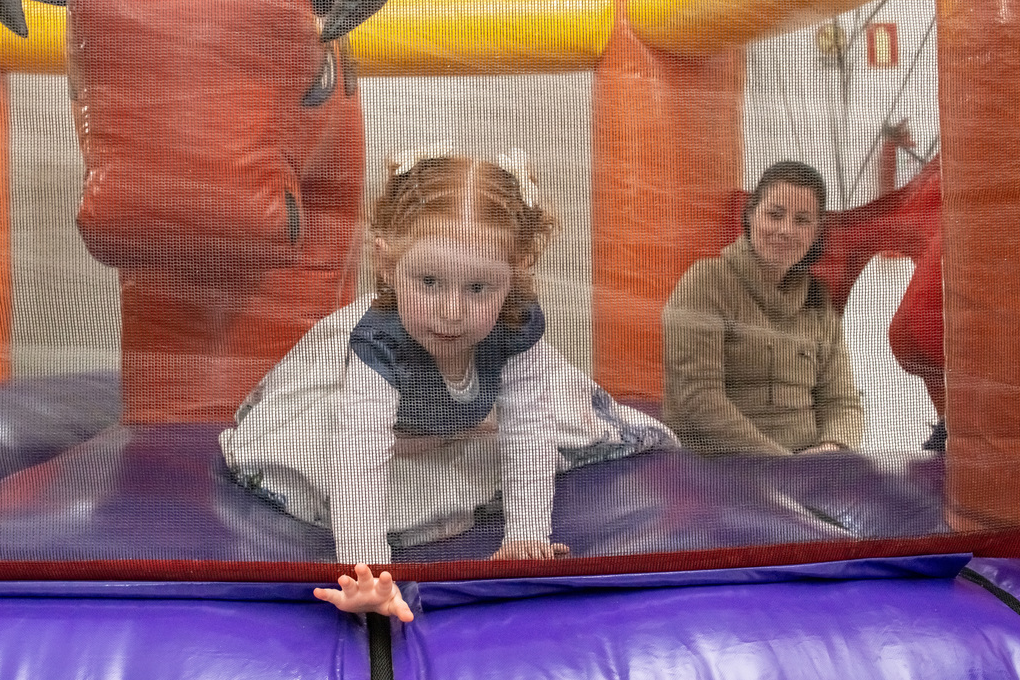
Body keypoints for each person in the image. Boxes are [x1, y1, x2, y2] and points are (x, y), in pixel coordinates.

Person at [221, 147, 676, 619]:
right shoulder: (379, 346)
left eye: (478, 288)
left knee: (563, 416)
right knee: (350, 478)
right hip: (367, 428)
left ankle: (462, 428)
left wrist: (525, 534)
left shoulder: (513, 329)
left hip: (460, 414)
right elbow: (356, 460)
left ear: (515, 276)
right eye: (429, 282)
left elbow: (528, 433)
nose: (452, 311)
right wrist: (370, 574)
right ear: (387, 264)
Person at [661, 160, 863, 458]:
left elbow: (842, 401)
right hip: (722, 468)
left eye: (802, 220)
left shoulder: (818, 301)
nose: (785, 230)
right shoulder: (706, 282)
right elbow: (697, 397)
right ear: (751, 214)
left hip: (809, 467)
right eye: (774, 215)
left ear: (817, 232)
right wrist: (781, 462)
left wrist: (830, 449)